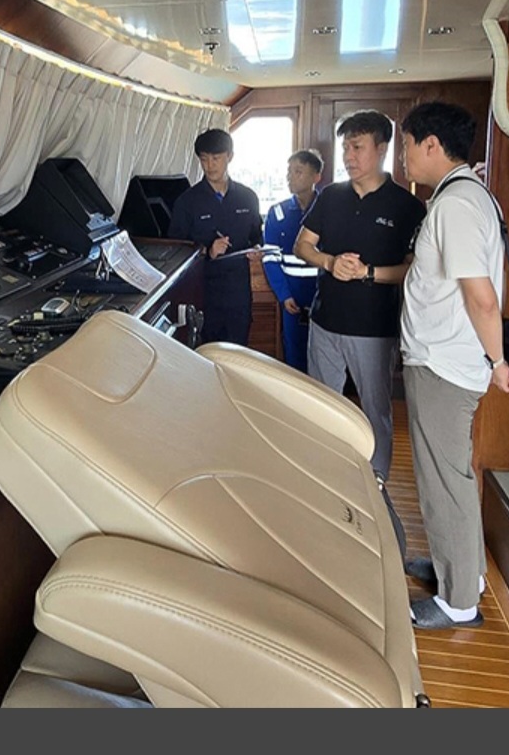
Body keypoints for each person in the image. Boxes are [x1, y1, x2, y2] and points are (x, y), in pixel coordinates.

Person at [398, 100, 509, 631]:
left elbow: (481, 298)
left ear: (431, 144)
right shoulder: (467, 194)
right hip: (446, 360)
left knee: (443, 481)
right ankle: (462, 572)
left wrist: (498, 361)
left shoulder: (456, 204)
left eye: (406, 144)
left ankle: (458, 602)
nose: (404, 156)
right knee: (454, 476)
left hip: (443, 365)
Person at [293, 109, 426, 484]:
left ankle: (375, 482)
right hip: (325, 322)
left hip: (374, 329)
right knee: (322, 407)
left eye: (357, 147)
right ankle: (323, 479)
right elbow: (302, 245)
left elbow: (415, 270)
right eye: (345, 148)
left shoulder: (407, 206)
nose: (348, 156)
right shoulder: (330, 196)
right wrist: (329, 262)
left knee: (375, 411)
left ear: (381, 149)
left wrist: (368, 273)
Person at [168, 127, 262, 347]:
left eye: (216, 158)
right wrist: (208, 251)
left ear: (230, 157)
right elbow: (177, 249)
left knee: (237, 353)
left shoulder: (248, 197)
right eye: (204, 159)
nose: (210, 166)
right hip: (203, 294)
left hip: (238, 293)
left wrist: (257, 249)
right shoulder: (187, 202)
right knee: (206, 354)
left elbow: (257, 237)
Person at [262, 149, 324, 373]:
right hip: (292, 299)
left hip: (324, 298)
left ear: (316, 177)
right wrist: (284, 294)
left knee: (324, 357)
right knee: (294, 355)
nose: (290, 177)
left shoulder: (329, 209)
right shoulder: (277, 213)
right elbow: (270, 257)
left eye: (298, 172)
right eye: (289, 172)